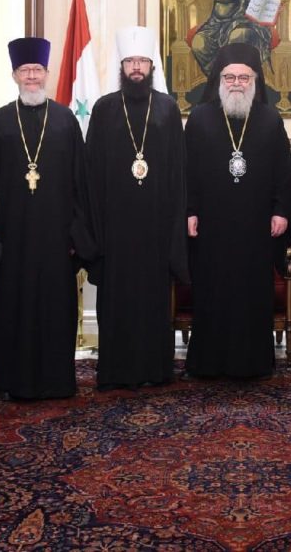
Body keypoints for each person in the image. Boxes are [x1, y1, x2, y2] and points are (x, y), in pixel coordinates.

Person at [0, 38, 94, 400]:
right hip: (12, 237)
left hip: (55, 236)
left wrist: (76, 236)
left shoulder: (64, 121)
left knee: (55, 308)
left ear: (47, 74)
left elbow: (80, 182)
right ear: (14, 75)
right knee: (13, 307)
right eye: (24, 70)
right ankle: (11, 379)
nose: (31, 76)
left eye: (37, 70)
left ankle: (56, 380)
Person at [86, 26, 188, 390]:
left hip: (156, 229)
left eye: (142, 61)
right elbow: (91, 174)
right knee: (117, 305)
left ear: (152, 65)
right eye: (130, 61)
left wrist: (176, 226)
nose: (136, 68)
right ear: (122, 65)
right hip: (115, 230)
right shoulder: (103, 109)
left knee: (153, 303)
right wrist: (95, 230)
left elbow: (178, 173)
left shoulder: (168, 109)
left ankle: (154, 370)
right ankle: (116, 372)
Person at [183, 43, 291, 380]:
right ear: (219, 79)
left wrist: (281, 211)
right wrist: (189, 211)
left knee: (251, 294)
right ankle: (209, 363)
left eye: (243, 77)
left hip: (255, 226)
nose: (236, 83)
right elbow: (187, 171)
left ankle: (254, 363)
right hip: (212, 226)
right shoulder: (200, 118)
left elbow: (282, 173)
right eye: (229, 76)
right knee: (212, 292)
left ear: (255, 81)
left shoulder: (270, 120)